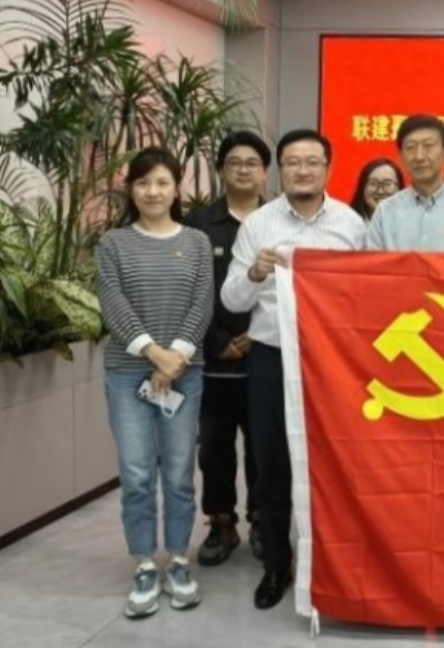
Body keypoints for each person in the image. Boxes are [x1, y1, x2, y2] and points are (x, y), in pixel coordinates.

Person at [221, 129, 366, 610]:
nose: (303, 170)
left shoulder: (351, 225)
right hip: (272, 356)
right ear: (280, 170)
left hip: (334, 360)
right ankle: (276, 565)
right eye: (293, 162)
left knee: (337, 462)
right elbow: (231, 299)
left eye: (312, 162)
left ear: (328, 168)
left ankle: (333, 564)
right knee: (272, 465)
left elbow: (365, 296)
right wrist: (255, 273)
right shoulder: (258, 225)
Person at [96, 146, 214, 619]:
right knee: (137, 474)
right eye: (143, 183)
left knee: (180, 473)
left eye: (162, 182)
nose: (152, 191)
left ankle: (179, 559)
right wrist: (154, 354)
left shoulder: (197, 242)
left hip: (185, 374)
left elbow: (202, 302)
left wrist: (175, 357)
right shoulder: (113, 243)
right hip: (127, 375)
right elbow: (113, 303)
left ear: (176, 188)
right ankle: (145, 563)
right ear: (131, 190)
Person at [185, 131, 270, 567]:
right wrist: (218, 341)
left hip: (265, 353)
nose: (243, 169)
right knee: (213, 449)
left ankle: (261, 520)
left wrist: (257, 334)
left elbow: (288, 287)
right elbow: (191, 288)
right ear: (221, 169)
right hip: (213, 359)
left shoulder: (277, 221)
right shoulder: (199, 223)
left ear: (264, 172)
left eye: (252, 162)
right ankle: (221, 523)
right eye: (234, 162)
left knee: (263, 448)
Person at [367, 115, 444, 251]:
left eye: (428, 146)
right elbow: (373, 263)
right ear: (400, 156)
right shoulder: (385, 212)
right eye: (410, 147)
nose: (419, 156)